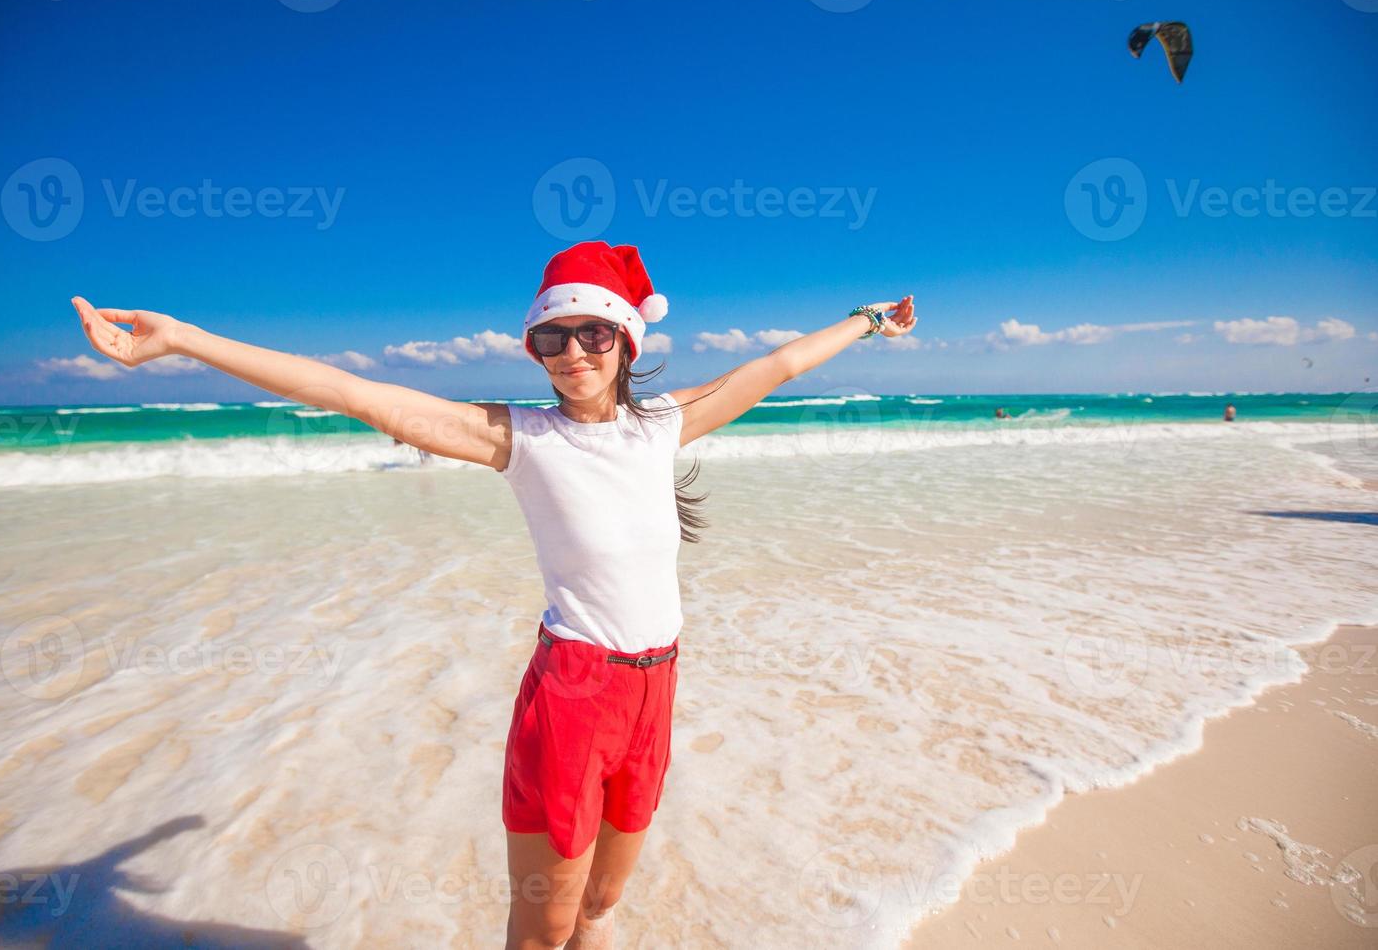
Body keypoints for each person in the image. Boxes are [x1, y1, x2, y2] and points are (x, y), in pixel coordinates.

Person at [69, 241, 918, 949]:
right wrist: (181, 338)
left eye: (591, 334)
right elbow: (351, 390)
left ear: (625, 340)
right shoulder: (521, 438)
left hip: (658, 686)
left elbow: (776, 364)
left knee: (601, 904)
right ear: (535, 351)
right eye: (553, 338)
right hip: (576, 690)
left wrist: (870, 321)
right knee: (542, 927)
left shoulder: (663, 426)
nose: (573, 353)